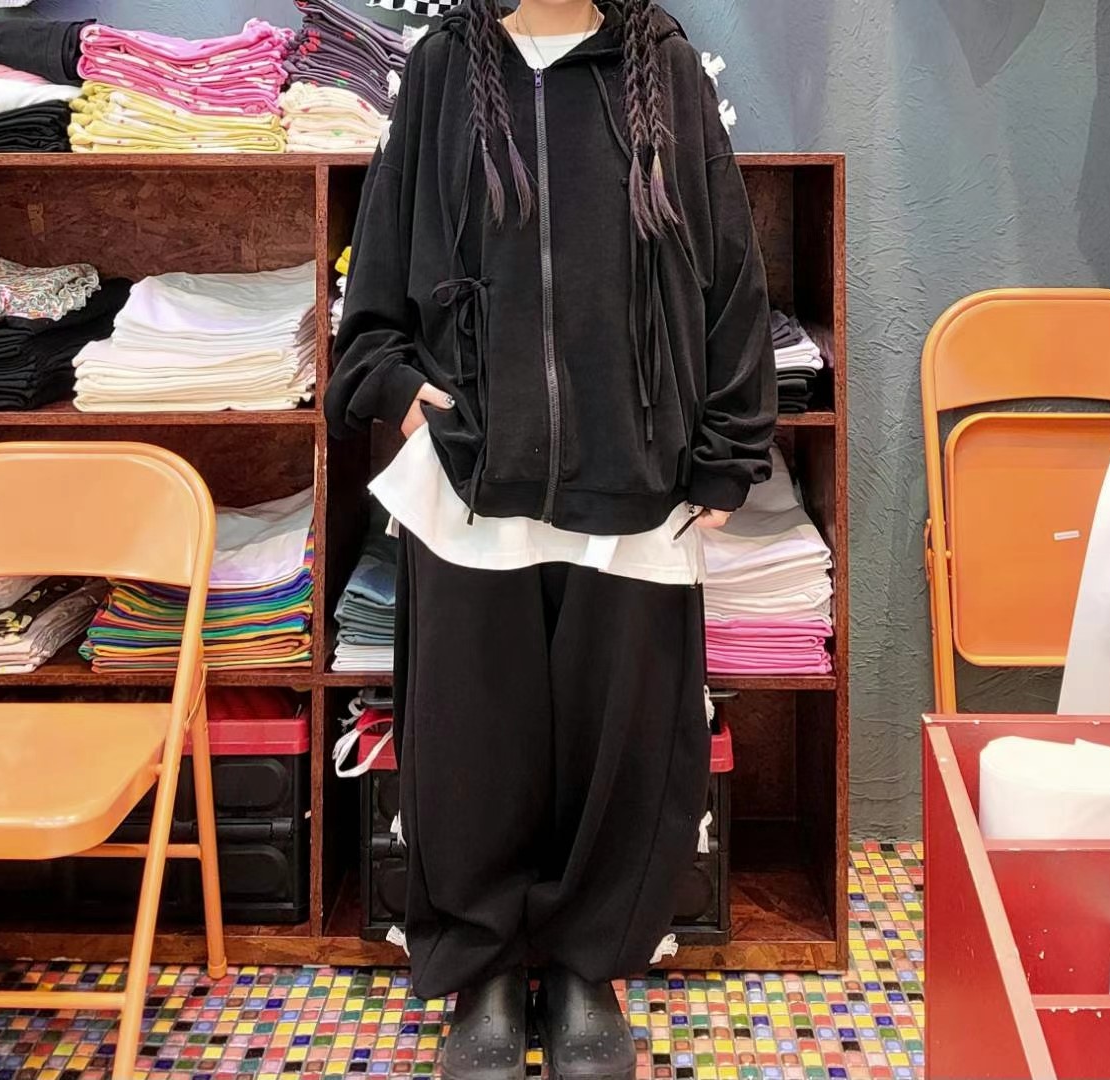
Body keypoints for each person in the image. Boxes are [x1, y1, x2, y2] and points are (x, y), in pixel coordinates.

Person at [326, 0, 775, 1076]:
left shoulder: (663, 68)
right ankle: (480, 967)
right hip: (473, 477)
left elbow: (729, 269)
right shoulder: (442, 67)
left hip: (638, 472)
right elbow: (377, 269)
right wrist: (395, 382)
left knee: (623, 743)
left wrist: (725, 447)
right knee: (470, 746)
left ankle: (587, 967)